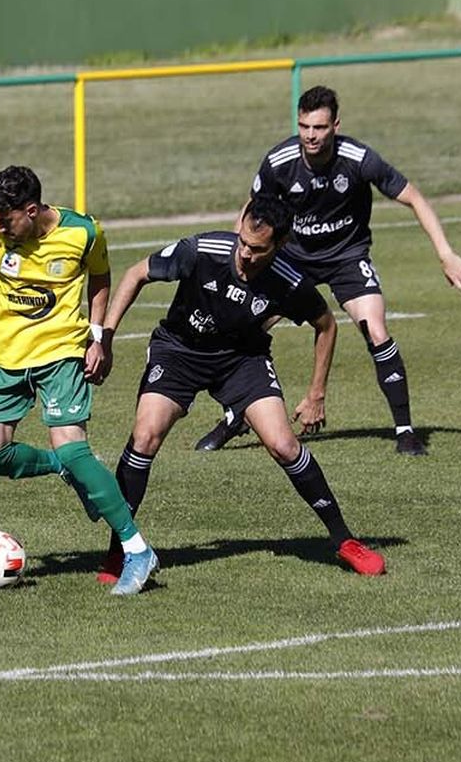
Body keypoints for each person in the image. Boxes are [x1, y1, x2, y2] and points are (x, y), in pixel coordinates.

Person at [98, 196, 387, 577]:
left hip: (242, 359)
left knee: (284, 445)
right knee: (145, 436)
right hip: (179, 352)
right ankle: (121, 550)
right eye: (244, 243)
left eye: (258, 249)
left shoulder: (288, 281)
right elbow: (136, 273)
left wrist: (316, 393)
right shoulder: (203, 250)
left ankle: (344, 541)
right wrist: (105, 337)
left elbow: (326, 325)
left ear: (280, 245)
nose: (246, 254)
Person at [0, 165, 158, 595]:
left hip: (62, 354)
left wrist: (98, 337)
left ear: (32, 209)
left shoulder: (83, 231)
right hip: (4, 361)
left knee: (72, 444)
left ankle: (136, 550)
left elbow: (99, 276)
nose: (0, 229)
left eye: (8, 221)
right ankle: (61, 466)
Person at [195, 85, 461, 456]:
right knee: (244, 329)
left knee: (376, 329)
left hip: (347, 257)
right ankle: (238, 415)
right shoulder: (279, 161)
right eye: (304, 126)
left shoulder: (359, 158)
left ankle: (406, 431)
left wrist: (446, 253)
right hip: (293, 260)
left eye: (319, 127)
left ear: (335, 126)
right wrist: (235, 261)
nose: (310, 135)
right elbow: (252, 211)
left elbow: (414, 197)